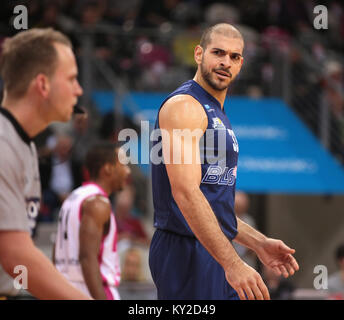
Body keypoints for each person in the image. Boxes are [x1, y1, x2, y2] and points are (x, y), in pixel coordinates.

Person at [149, 23, 299, 300]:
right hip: (185, 251)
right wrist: (232, 263)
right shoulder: (185, 106)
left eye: (234, 56)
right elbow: (186, 194)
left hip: (214, 247)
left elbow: (214, 206)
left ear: (241, 63)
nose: (225, 62)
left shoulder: (216, 112)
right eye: (218, 52)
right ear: (198, 54)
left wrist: (258, 243)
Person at [0, 28, 90, 299]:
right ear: (43, 85)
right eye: (72, 79)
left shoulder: (23, 144)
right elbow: (16, 256)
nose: (79, 89)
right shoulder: (3, 144)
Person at [54, 142, 131, 299]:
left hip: (66, 287)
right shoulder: (98, 203)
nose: (128, 171)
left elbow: (56, 250)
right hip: (90, 290)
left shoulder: (73, 197)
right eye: (123, 165)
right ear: (108, 168)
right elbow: (87, 258)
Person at [232, 191, 257, 268]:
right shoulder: (226, 219)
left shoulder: (249, 220)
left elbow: (254, 247)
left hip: (246, 262)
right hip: (230, 262)